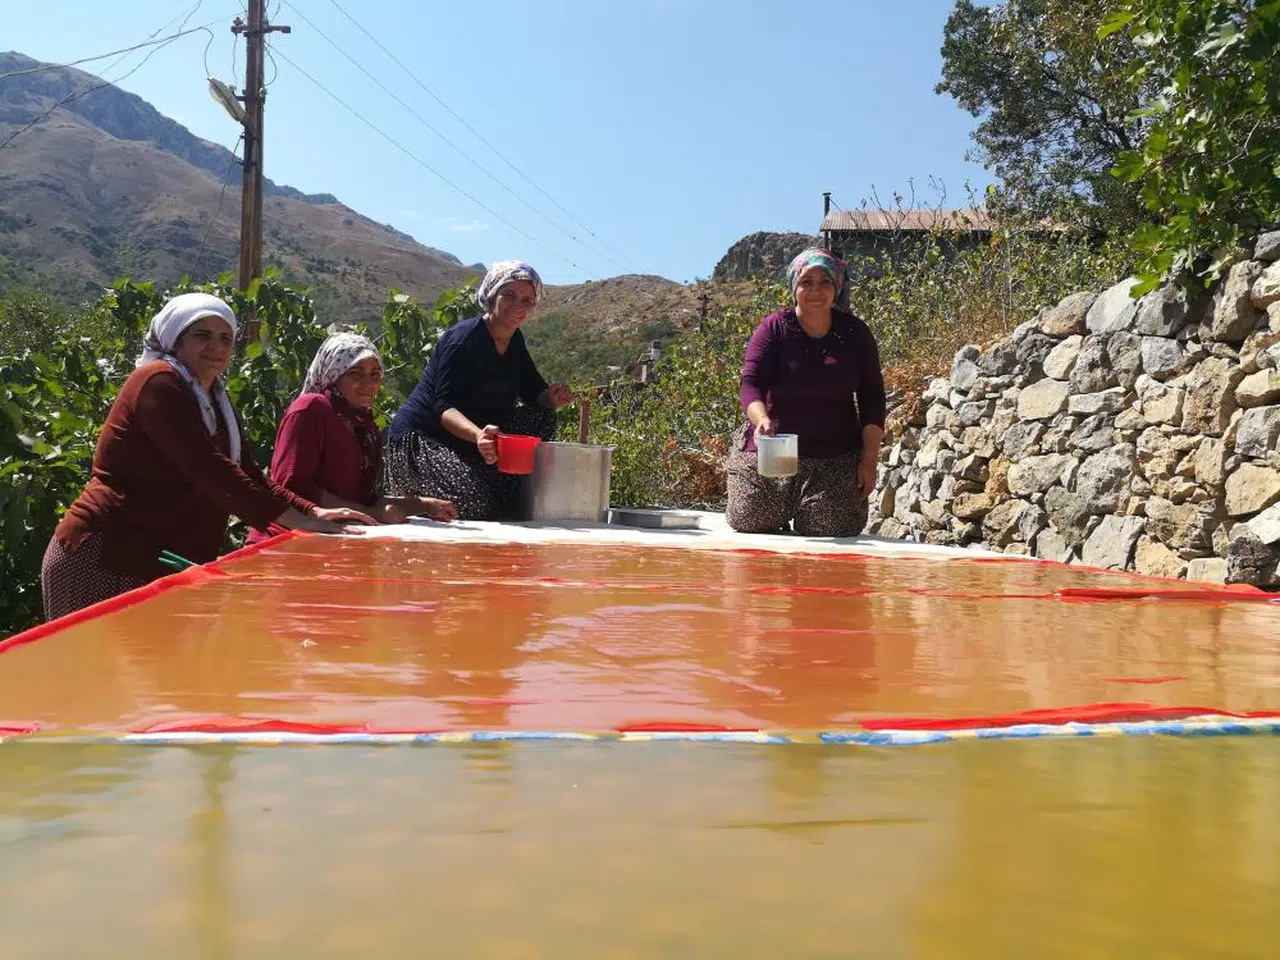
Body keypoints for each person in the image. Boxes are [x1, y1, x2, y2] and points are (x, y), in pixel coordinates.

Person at [41, 293, 374, 621]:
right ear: (176, 340)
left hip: (158, 557)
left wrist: (311, 511)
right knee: (100, 657)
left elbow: (247, 474)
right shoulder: (158, 382)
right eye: (202, 335)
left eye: (225, 339)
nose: (216, 347)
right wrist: (298, 522)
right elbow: (209, 469)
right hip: (109, 555)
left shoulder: (214, 398)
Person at [386, 261, 575, 520]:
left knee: (542, 416)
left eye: (527, 300)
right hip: (424, 440)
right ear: (491, 296)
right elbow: (444, 408)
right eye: (509, 295)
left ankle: (501, 486)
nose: (518, 306)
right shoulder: (463, 340)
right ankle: (416, 500)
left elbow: (534, 393)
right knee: (475, 504)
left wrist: (552, 398)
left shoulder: (515, 341)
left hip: (470, 444)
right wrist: (478, 436)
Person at [725, 248, 886, 538]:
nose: (815, 291)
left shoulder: (856, 334)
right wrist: (760, 419)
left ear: (837, 287)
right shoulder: (773, 329)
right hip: (773, 451)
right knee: (749, 519)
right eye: (806, 282)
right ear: (793, 287)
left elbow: (872, 398)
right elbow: (750, 383)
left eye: (825, 282)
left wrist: (869, 460)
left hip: (834, 458)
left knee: (832, 528)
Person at [253, 332, 458, 538]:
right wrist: (371, 514)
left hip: (338, 537)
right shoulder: (310, 410)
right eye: (356, 374)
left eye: (375, 374)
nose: (368, 384)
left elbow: (362, 499)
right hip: (286, 540)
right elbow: (293, 486)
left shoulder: (365, 427)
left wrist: (424, 505)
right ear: (333, 374)